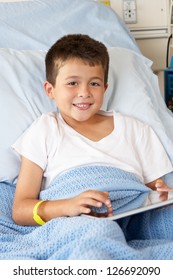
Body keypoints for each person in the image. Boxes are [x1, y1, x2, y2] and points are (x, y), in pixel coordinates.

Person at [12, 34, 173, 226]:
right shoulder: (45, 129)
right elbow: (21, 210)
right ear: (50, 90)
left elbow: (156, 190)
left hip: (132, 218)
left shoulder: (135, 129)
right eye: (72, 83)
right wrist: (67, 206)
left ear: (104, 88)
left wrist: (162, 192)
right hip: (76, 222)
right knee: (95, 235)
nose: (84, 93)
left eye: (94, 84)